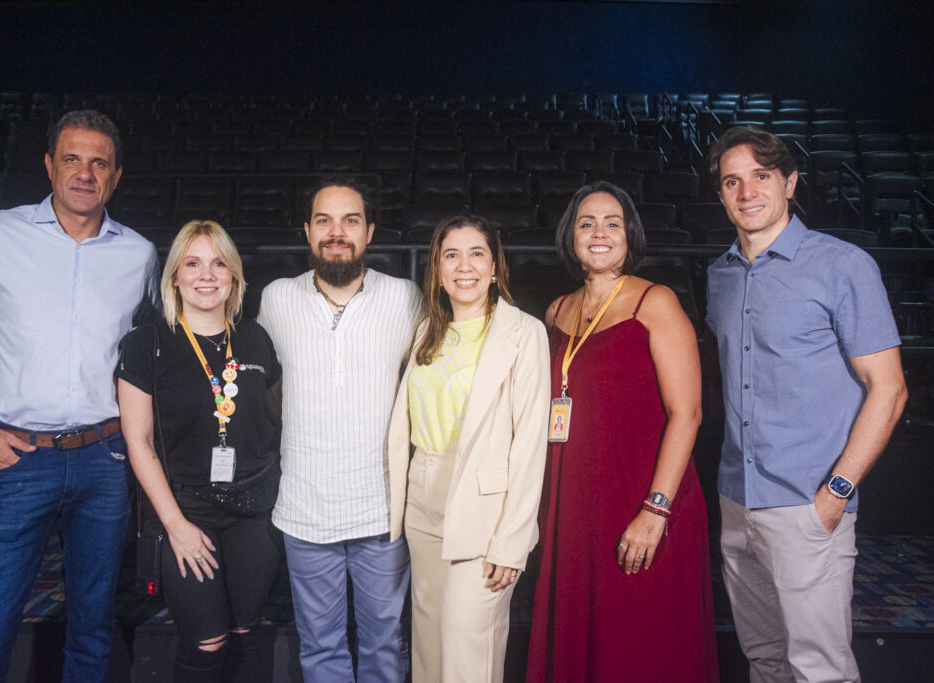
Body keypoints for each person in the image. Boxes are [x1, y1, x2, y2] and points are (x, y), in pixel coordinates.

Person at [0, 110, 158, 682]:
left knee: (94, 624)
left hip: (104, 460)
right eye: (72, 159)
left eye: (99, 162)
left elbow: (145, 359)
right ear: (49, 165)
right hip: (17, 460)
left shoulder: (140, 255)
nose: (85, 173)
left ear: (116, 176)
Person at [706, 126, 907, 682]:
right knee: (764, 661)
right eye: (732, 181)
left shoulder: (843, 266)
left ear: (790, 183)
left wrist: (837, 491)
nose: (747, 192)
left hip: (809, 506)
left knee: (819, 670)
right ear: (721, 195)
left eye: (762, 176)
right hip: (736, 503)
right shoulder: (718, 276)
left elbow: (889, 390)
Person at [527, 181, 719, 682]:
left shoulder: (655, 302)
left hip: (641, 499)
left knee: (638, 645)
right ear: (570, 236)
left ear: (629, 236)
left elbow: (688, 413)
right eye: (586, 222)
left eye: (613, 223)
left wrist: (656, 510)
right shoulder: (555, 311)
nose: (599, 232)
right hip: (574, 507)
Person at [256, 177, 422, 682]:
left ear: (369, 231)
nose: (337, 232)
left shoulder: (406, 298)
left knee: (385, 648)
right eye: (324, 220)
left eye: (350, 220)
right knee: (320, 649)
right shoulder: (276, 300)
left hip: (382, 512)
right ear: (307, 231)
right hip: (305, 509)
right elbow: (264, 389)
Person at [387, 214, 551, 682]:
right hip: (423, 507)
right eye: (451, 254)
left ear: (495, 267)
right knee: (430, 650)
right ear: (436, 268)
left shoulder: (524, 333)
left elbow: (529, 447)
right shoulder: (425, 333)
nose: (465, 265)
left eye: (477, 253)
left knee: (466, 657)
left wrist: (512, 541)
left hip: (485, 517)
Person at [117, 220, 282, 681]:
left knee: (246, 631)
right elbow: (139, 443)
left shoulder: (255, 338)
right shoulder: (145, 343)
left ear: (233, 276)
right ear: (174, 276)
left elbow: (276, 417)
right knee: (208, 641)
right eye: (193, 263)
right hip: (187, 513)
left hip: (254, 514)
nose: (206, 275)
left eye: (218, 263)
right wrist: (177, 527)